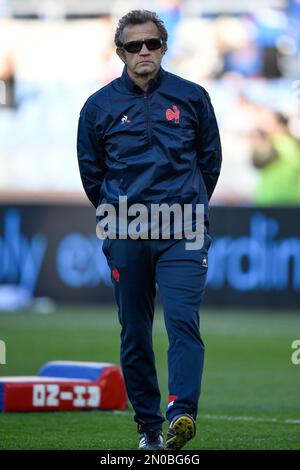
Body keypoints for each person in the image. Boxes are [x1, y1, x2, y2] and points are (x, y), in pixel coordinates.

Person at [77, 9, 222, 450]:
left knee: (183, 322)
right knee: (135, 330)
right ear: (120, 52)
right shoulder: (98, 106)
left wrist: (188, 207)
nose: (144, 52)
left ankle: (181, 413)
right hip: (125, 231)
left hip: (184, 229)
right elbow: (91, 174)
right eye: (134, 45)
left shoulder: (193, 97)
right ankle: (148, 428)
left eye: (152, 44)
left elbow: (209, 163)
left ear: (164, 47)